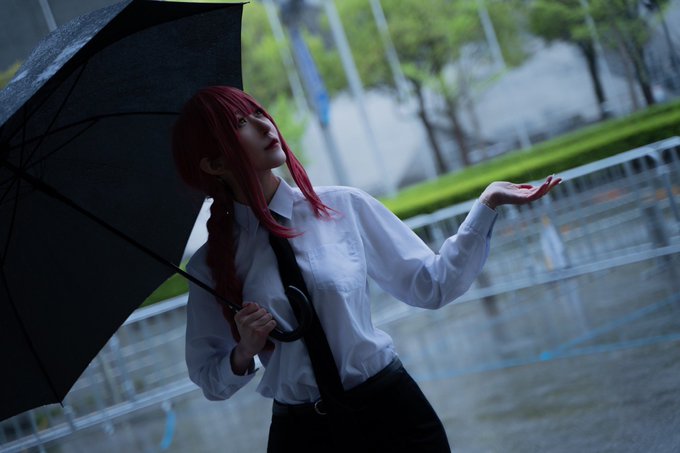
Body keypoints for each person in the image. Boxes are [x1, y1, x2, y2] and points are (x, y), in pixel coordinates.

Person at [171, 86, 561, 452]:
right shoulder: (210, 266)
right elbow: (209, 378)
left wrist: (487, 204)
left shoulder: (342, 207)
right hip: (305, 436)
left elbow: (431, 284)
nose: (263, 125)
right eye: (241, 123)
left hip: (393, 414)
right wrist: (244, 351)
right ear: (214, 163)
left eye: (258, 112)